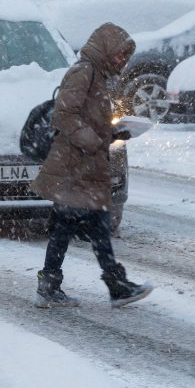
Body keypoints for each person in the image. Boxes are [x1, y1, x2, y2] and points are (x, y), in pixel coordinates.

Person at [30, 22, 153, 309]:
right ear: (106, 49)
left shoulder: (99, 76)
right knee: (87, 225)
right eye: (120, 54)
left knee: (78, 226)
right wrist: (92, 141)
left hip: (85, 166)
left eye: (126, 56)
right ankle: (112, 285)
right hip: (74, 165)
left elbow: (88, 120)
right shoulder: (83, 71)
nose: (122, 61)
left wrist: (113, 134)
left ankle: (56, 285)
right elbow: (65, 114)